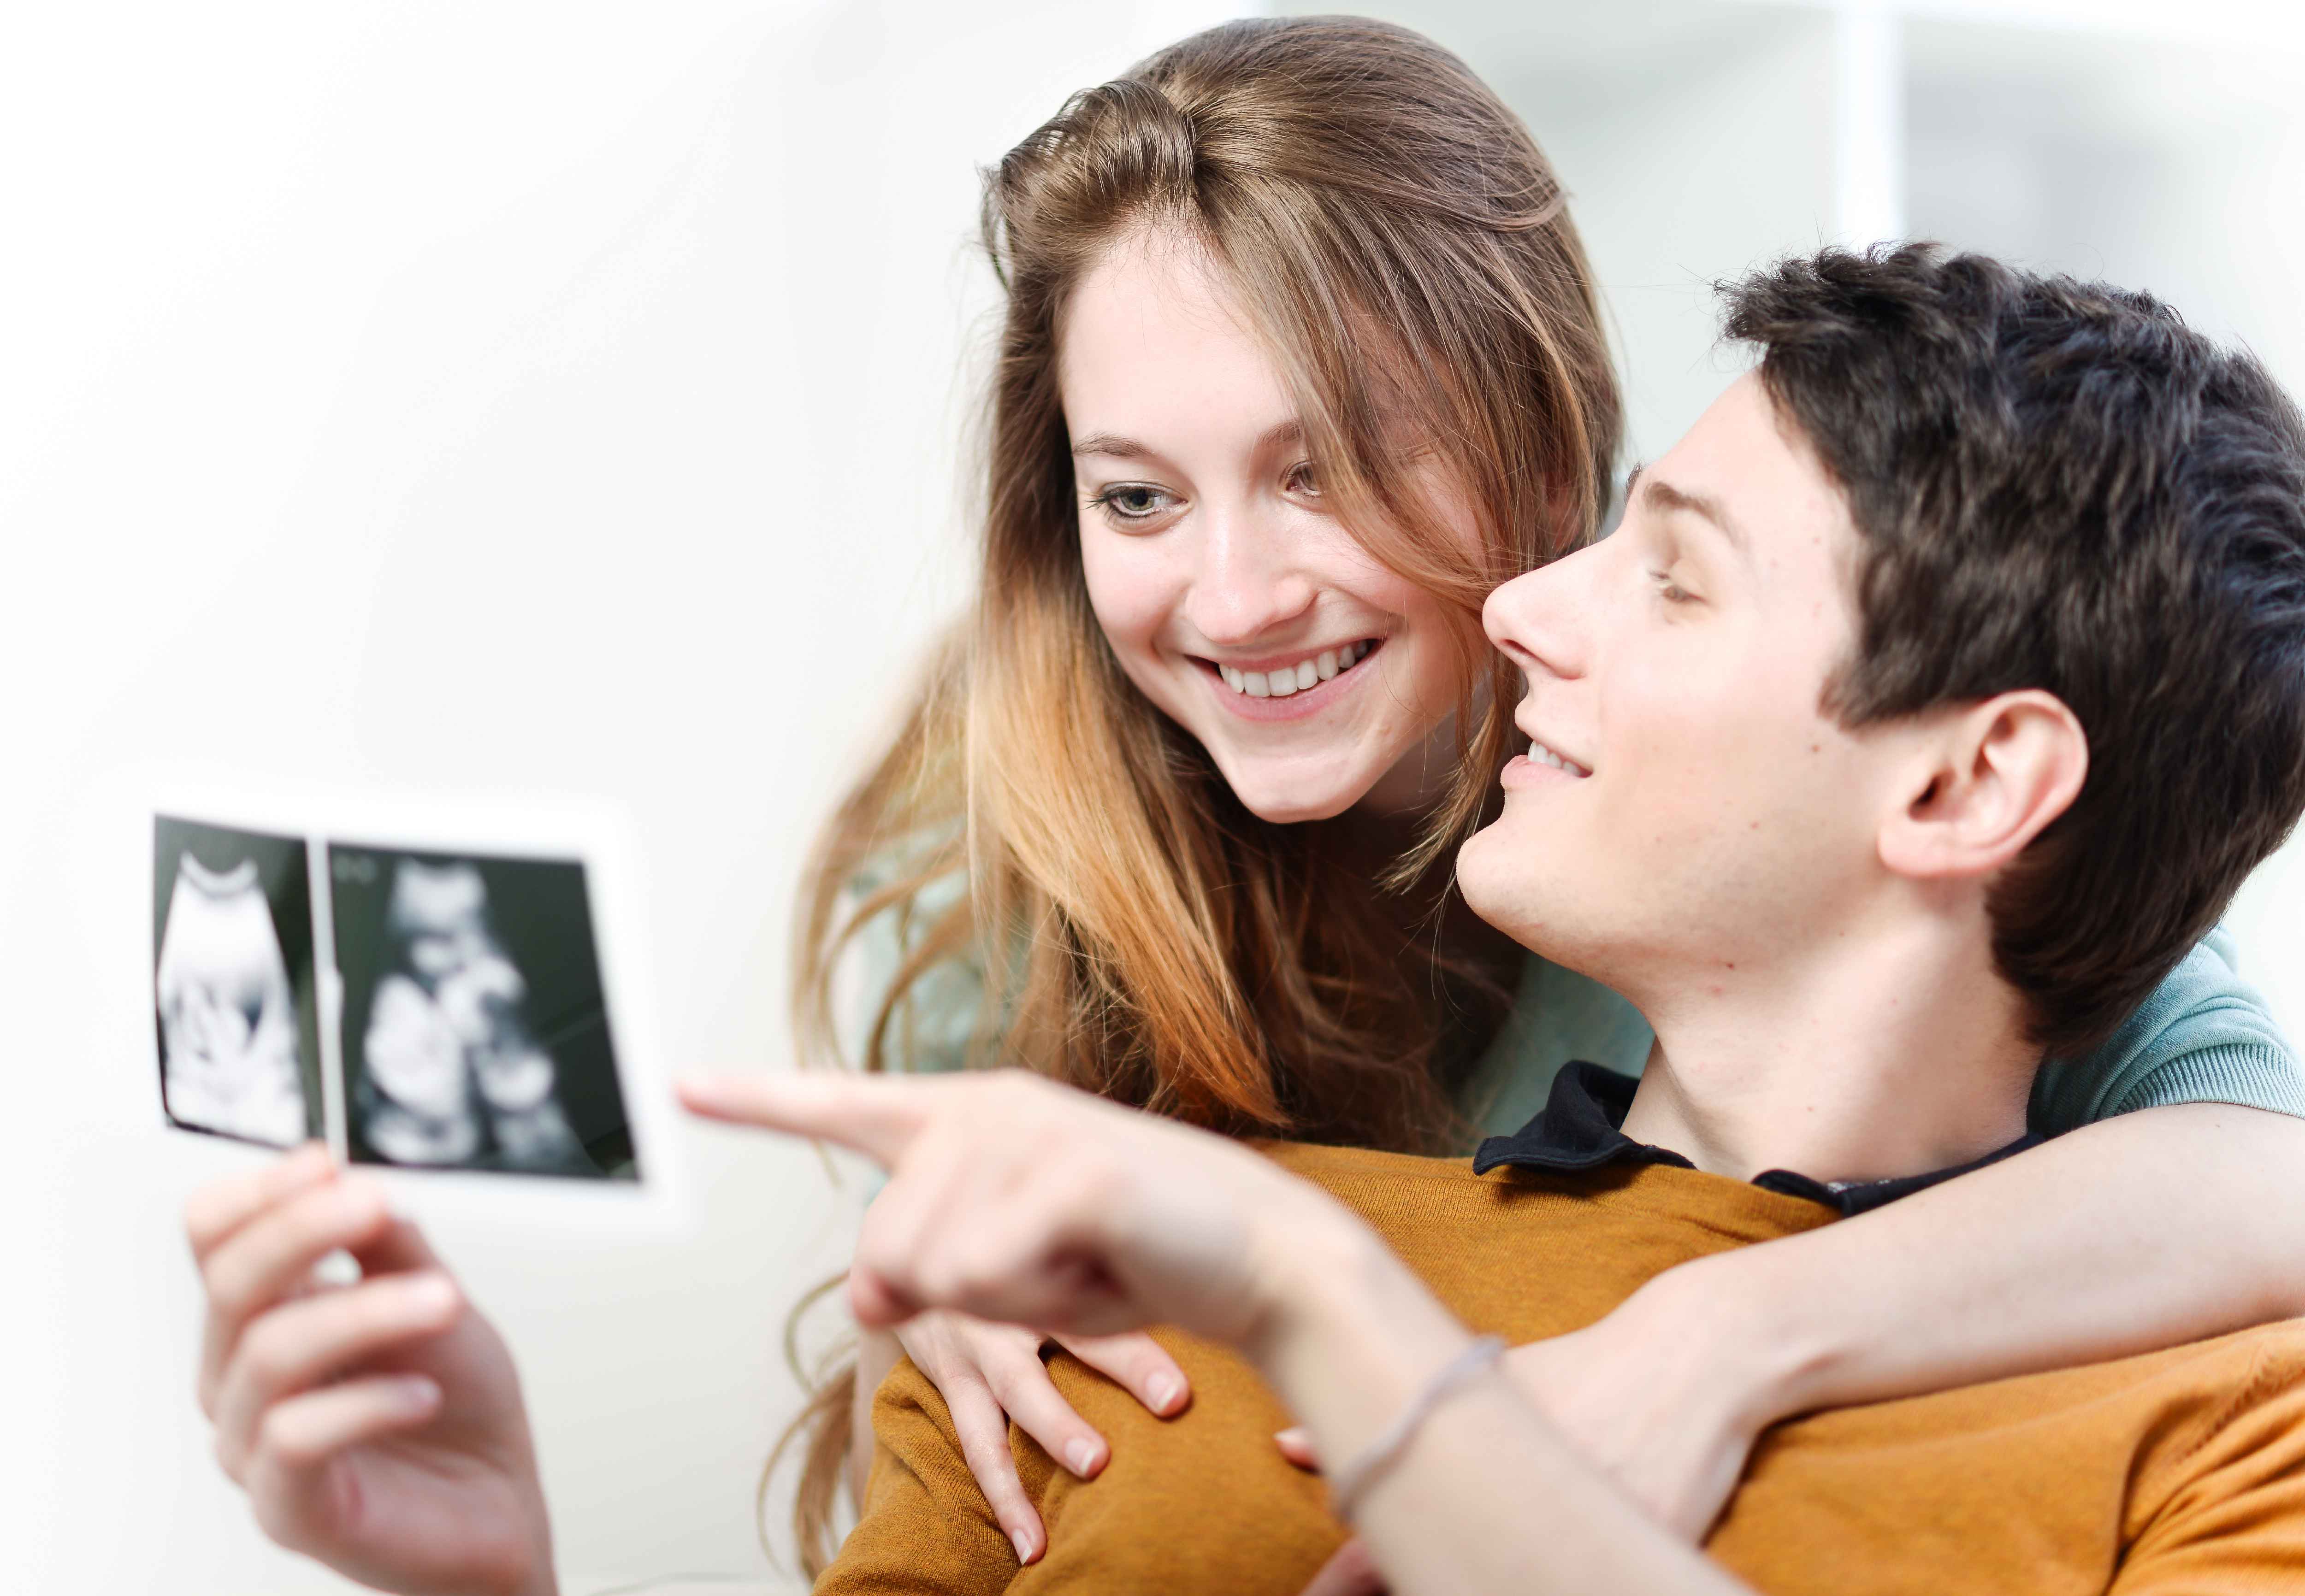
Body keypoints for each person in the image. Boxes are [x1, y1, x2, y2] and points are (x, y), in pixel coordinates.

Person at [177, 20, 2305, 1594]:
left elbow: (2265, 1189)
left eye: (1322, 468)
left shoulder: (2176, 1349)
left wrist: (1672, 1325)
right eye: (1133, 497)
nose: (1229, 594)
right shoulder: (1048, 1054)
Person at [684, 245, 2305, 1596]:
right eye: (1136, 497)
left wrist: (1339, 1309)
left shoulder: (2228, 1413)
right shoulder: (1133, 1316)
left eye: (1672, 576)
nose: (1526, 607)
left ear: (1967, 788)